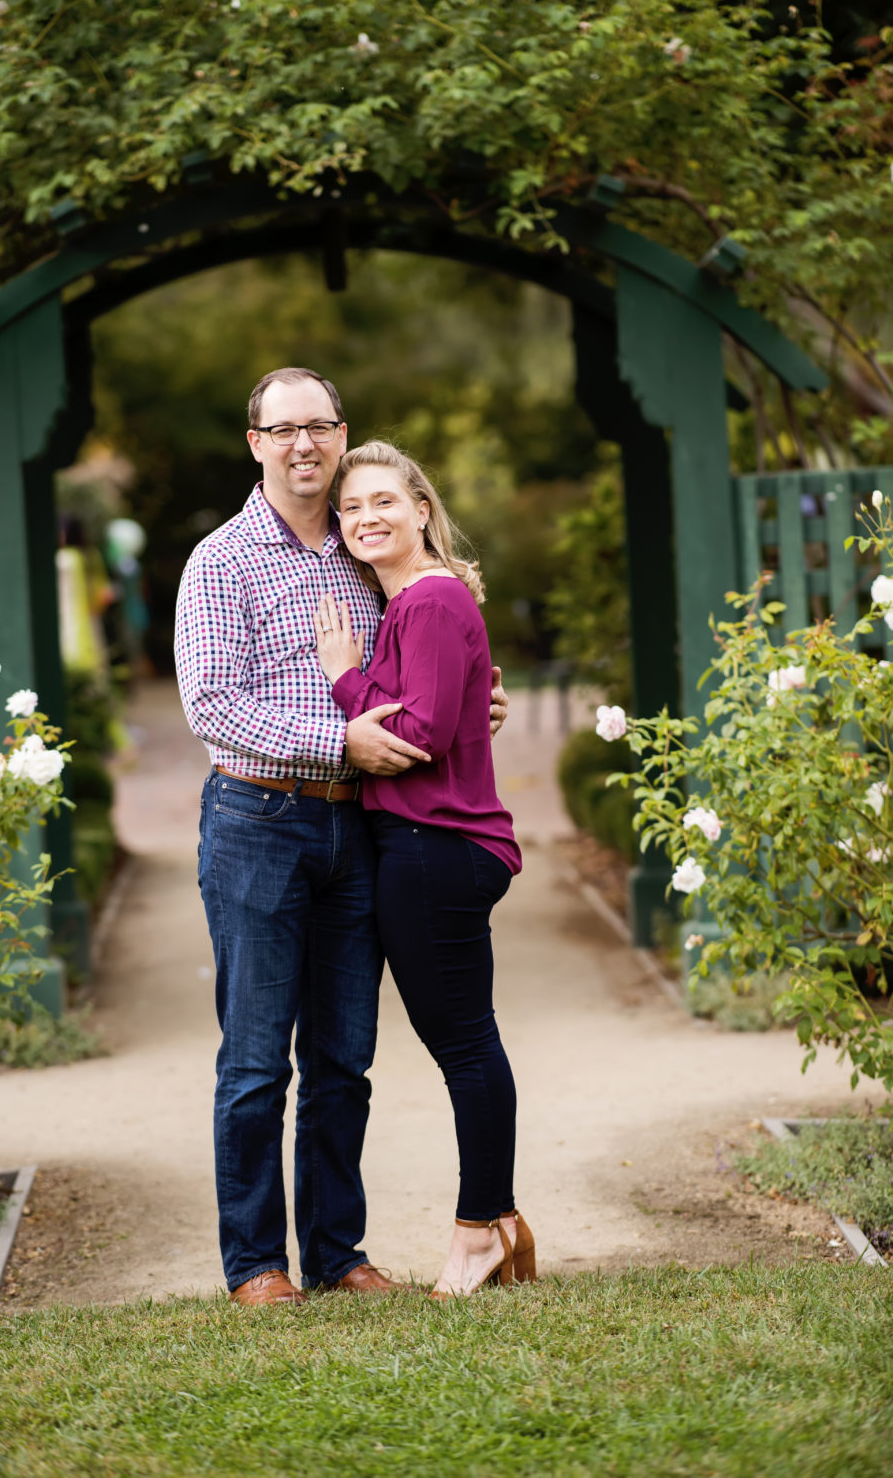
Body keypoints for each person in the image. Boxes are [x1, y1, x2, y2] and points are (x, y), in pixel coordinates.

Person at [174, 368, 508, 1306]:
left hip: (360, 825)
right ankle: (256, 1264)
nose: (303, 446)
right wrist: (340, 737)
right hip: (257, 820)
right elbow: (210, 701)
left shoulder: (369, 554)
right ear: (255, 444)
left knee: (342, 1058)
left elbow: (422, 667)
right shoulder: (222, 560)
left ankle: (334, 1251)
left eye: (318, 428)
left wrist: (471, 700)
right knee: (252, 1059)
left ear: (341, 432)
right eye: (282, 431)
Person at [314, 441, 534, 1298]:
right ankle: (501, 1222)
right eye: (350, 509)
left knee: (465, 1047)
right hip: (427, 845)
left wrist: (341, 678)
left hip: (433, 845)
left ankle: (478, 1231)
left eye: (382, 502)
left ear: (420, 508)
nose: (365, 518)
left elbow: (419, 738)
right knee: (466, 1042)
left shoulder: (429, 602)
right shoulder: (413, 603)